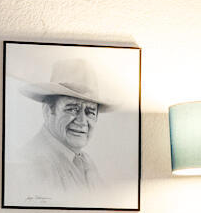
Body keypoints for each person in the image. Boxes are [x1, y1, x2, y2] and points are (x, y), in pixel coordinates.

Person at [12, 56, 123, 204]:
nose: (82, 121)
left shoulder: (85, 161)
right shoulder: (31, 166)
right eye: (72, 109)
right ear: (47, 111)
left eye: (90, 112)